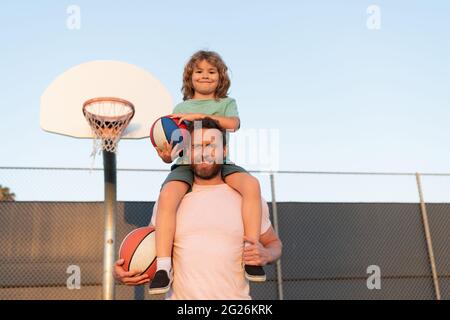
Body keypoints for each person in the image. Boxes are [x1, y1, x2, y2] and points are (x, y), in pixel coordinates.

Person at [114, 118, 282, 299]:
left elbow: (274, 244)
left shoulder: (248, 199)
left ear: (224, 151)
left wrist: (267, 254)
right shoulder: (169, 201)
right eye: (195, 147)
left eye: (210, 145)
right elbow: (150, 253)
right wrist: (124, 272)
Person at [150, 50, 266, 294]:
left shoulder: (225, 104)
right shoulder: (181, 106)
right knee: (169, 194)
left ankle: (251, 253)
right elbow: (178, 140)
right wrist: (167, 155)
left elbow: (234, 125)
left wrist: (200, 116)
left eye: (211, 72)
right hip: (186, 163)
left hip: (219, 162)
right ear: (189, 77)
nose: (205, 76)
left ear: (221, 77)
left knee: (252, 185)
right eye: (199, 71)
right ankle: (163, 267)